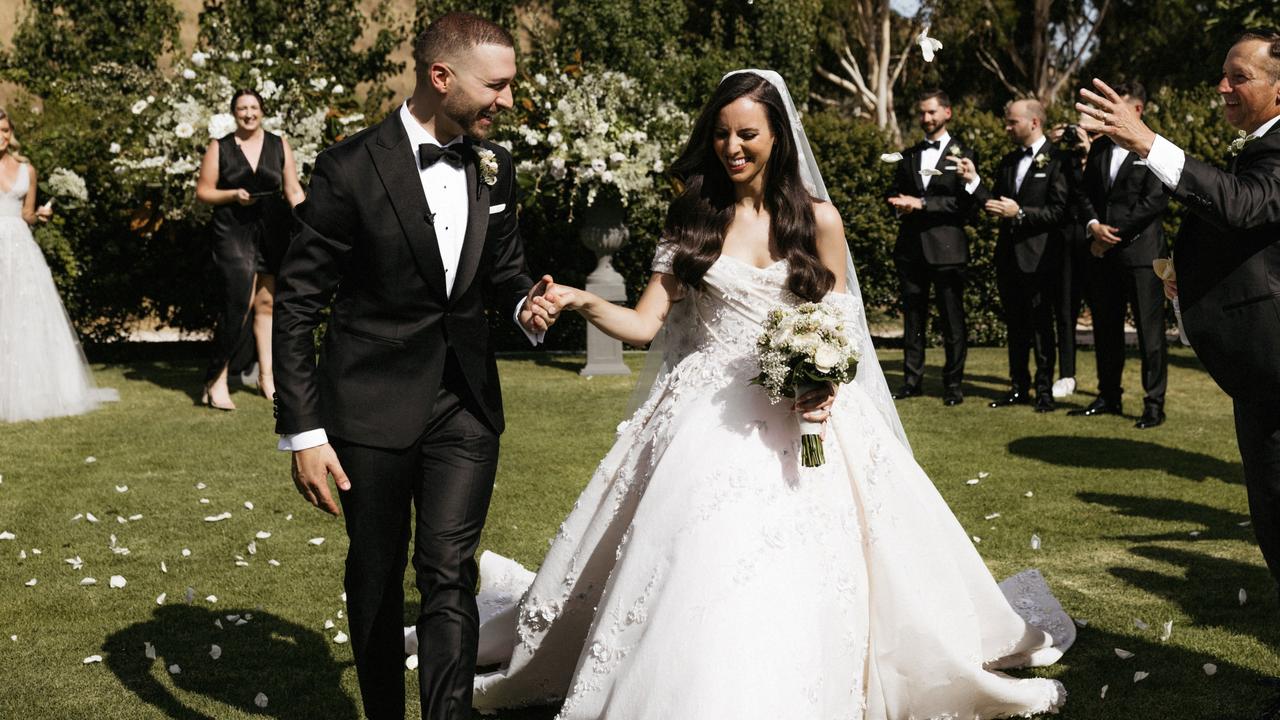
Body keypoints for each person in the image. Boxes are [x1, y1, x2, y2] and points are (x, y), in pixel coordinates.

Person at [466, 71, 1070, 719]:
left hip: (810, 421)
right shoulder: (692, 220)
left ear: (777, 137)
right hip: (708, 419)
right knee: (702, 551)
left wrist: (825, 383)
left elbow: (842, 328)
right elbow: (644, 327)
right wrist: (582, 299)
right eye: (721, 135)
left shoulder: (820, 220)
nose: (732, 148)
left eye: (747, 134)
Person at [271, 13, 556, 720]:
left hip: (466, 405)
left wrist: (527, 308)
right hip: (368, 408)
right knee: (373, 573)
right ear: (440, 78)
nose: (509, 101)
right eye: (498, 86)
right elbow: (299, 304)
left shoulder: (498, 166)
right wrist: (304, 434)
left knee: (448, 572)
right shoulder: (348, 168)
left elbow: (506, 275)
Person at [1079, 32, 1280, 714]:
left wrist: (1147, 143)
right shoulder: (1260, 144)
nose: (1222, 88)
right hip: (1260, 380)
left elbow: (1245, 205)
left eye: (1238, 76)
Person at [0, 108, 117, 423]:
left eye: (5, 130)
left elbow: (26, 214)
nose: (1, 136)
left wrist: (40, 215)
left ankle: (32, 390)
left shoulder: (27, 170)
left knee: (23, 315)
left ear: (11, 134)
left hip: (19, 246)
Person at [1069, 81, 1171, 428]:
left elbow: (1154, 201)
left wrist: (1112, 234)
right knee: (1106, 329)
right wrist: (1094, 225)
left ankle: (1154, 404)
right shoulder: (1098, 150)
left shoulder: (1154, 149)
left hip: (1142, 255)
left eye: (1116, 108)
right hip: (1103, 253)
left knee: (1149, 333)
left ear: (1137, 111)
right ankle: (1108, 396)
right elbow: (1083, 194)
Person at [195, 88, 305, 410]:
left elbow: (293, 189)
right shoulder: (221, 147)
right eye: (242, 108)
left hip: (273, 228)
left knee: (268, 303)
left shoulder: (278, 144)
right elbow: (203, 192)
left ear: (262, 111)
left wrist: (309, 220)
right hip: (233, 230)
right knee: (237, 304)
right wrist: (232, 195)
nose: (248, 113)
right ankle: (216, 379)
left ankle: (267, 378)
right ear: (234, 113)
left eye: (253, 107)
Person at [965, 99, 1070, 413]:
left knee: (1041, 326)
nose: (1007, 127)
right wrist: (974, 182)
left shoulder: (1057, 160)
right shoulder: (1009, 161)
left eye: (1012, 122)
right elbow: (996, 204)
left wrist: (1021, 212)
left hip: (1041, 257)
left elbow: (1059, 211)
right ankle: (1017, 387)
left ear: (1034, 122)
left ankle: (1044, 392)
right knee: (1016, 326)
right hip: (1009, 257)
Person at [885, 89, 978, 406]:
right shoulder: (908, 155)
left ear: (947, 113)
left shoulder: (963, 154)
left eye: (932, 112)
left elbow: (964, 205)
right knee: (913, 320)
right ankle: (912, 381)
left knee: (952, 320)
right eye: (922, 113)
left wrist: (922, 203)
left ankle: (953, 385)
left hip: (947, 250)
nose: (926, 118)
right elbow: (894, 195)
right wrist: (899, 206)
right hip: (911, 251)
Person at [1046, 123, 1093, 400]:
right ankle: (1066, 374)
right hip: (1066, 239)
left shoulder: (1100, 153)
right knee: (1064, 310)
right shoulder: (1061, 158)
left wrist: (1089, 150)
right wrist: (1053, 146)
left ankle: (1107, 383)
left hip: (1095, 238)